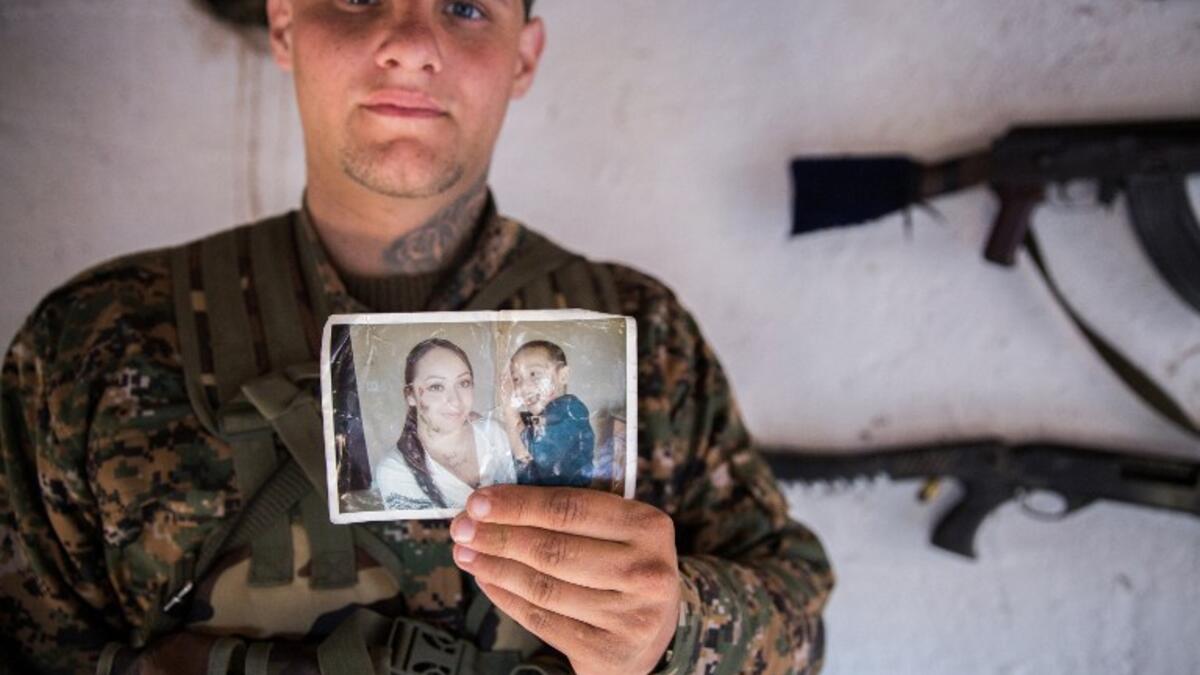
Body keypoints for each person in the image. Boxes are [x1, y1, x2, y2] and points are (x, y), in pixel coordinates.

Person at [0, 1, 835, 674]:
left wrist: (677, 630)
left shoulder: (646, 339)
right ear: (284, 20)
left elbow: (801, 627)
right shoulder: (97, 342)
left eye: (467, 6)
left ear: (525, 55)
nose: (409, 43)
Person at [374, 338, 516, 510]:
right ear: (410, 395)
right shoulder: (395, 470)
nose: (455, 401)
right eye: (436, 387)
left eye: (463, 383)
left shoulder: (494, 433)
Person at [504, 340, 595, 487]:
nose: (523, 387)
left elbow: (531, 452)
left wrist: (509, 410)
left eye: (533, 374)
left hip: (567, 499)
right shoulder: (531, 419)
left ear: (562, 375)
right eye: (516, 379)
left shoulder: (570, 409)